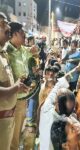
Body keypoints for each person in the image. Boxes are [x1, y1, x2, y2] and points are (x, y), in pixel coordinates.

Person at [39, 58, 80, 150]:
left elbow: (57, 86)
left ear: (56, 102)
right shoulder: (73, 125)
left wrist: (76, 69)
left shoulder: (46, 110)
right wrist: (76, 69)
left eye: (56, 95)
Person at [0, 12, 27, 150]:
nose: (7, 27)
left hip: (8, 116)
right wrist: (15, 88)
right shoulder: (6, 52)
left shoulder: (3, 54)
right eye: (3, 24)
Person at [5, 22, 33, 150]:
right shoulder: (6, 53)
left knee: (19, 131)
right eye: (22, 33)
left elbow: (31, 53)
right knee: (13, 137)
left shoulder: (23, 50)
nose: (25, 36)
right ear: (14, 34)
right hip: (13, 101)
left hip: (24, 98)